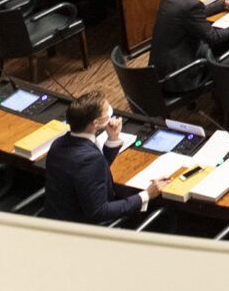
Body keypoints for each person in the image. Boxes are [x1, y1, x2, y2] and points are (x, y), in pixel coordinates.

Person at [44, 94, 165, 224]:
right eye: (106, 111)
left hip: (57, 217)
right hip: (82, 227)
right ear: (95, 123)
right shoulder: (90, 159)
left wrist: (113, 139)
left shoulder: (58, 143)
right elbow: (100, 211)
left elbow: (92, 172)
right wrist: (146, 195)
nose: (110, 114)